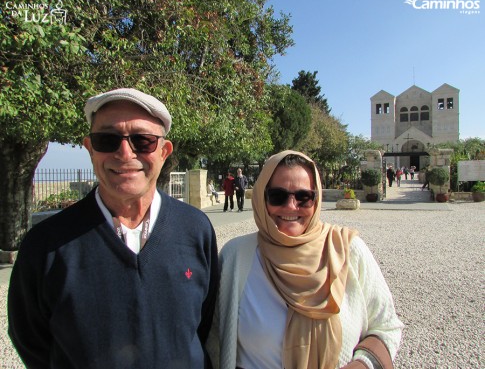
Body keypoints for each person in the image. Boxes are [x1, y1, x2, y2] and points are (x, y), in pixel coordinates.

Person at [8, 88, 219, 369]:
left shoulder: (196, 230)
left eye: (143, 141)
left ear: (164, 152)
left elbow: (204, 322)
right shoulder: (46, 245)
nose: (124, 152)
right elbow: (30, 339)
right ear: (90, 148)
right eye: (107, 140)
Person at [208, 150, 403, 369]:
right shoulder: (236, 256)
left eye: (303, 197)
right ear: (262, 198)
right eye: (278, 196)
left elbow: (387, 326)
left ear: (316, 200)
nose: (291, 206)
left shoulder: (347, 249)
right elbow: (213, 338)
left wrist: (362, 364)